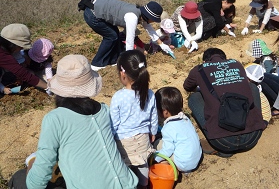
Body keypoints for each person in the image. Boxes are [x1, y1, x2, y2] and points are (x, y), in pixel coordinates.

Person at [20, 54, 138, 189]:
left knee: (19, 178)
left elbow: (38, 180)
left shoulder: (55, 119)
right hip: (128, 183)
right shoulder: (104, 110)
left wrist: (30, 165)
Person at [183, 48, 265, 157]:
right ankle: (257, 121)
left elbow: (187, 87)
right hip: (252, 137)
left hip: (223, 142)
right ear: (225, 58)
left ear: (204, 61)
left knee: (194, 98)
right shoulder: (236, 64)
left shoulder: (199, 69)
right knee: (252, 88)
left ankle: (218, 145)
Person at [79, 0, 173, 71]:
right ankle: (96, 64)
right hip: (93, 14)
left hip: (98, 11)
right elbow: (129, 41)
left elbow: (149, 29)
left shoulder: (140, 13)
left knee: (115, 34)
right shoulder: (132, 17)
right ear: (149, 17)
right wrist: (129, 62)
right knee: (112, 36)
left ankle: (113, 60)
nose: (153, 22)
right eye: (154, 20)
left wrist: (161, 44)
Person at [110, 50, 158, 189]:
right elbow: (153, 116)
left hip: (123, 144)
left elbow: (114, 124)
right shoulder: (149, 93)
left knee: (125, 171)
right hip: (143, 140)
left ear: (122, 73)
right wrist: (153, 132)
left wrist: (111, 139)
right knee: (143, 168)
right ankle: (144, 185)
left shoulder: (119, 97)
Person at [154, 87, 202, 172]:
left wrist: (154, 158)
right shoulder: (185, 119)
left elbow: (167, 150)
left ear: (165, 112)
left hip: (184, 164)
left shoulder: (168, 128)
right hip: (195, 159)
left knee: (158, 143)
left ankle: (171, 166)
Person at [0, 24, 47, 95]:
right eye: (21, 46)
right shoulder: (3, 55)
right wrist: (47, 87)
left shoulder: (4, 47)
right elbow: (24, 74)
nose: (22, 48)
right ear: (12, 45)